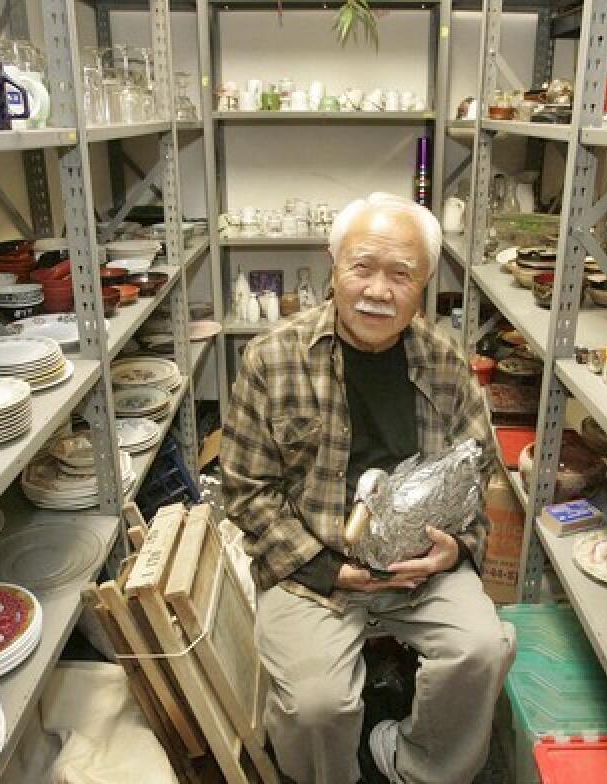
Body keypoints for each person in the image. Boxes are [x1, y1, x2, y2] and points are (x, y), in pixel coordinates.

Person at [221, 192, 515, 784]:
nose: (378, 290)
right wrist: (328, 569)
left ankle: (413, 765)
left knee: (482, 650)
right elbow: (248, 491)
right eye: (362, 267)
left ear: (424, 284)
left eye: (401, 274)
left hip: (423, 569)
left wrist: (454, 550)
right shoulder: (273, 358)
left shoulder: (445, 361)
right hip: (313, 569)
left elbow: (477, 470)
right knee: (316, 708)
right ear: (334, 269)